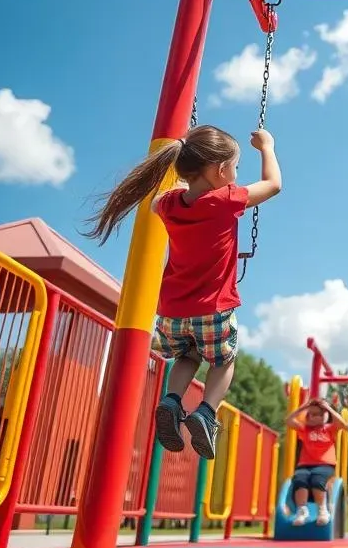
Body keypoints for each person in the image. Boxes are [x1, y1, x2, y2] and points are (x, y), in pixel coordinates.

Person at [86, 124, 282, 459]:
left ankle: (172, 401)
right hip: (214, 307)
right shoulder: (226, 199)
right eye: (235, 168)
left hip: (173, 311)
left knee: (187, 356)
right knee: (224, 360)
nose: (236, 175)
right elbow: (273, 185)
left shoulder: (169, 205)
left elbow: (163, 198)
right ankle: (206, 411)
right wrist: (267, 146)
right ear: (221, 171)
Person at [286, 396, 348, 526]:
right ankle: (302, 510)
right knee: (300, 479)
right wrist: (303, 407)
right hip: (305, 464)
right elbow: (288, 420)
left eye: (319, 415)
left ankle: (322, 510)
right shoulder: (304, 429)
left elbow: (343, 424)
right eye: (312, 414)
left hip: (325, 465)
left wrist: (328, 408)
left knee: (317, 479)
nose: (315, 417)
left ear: (326, 416)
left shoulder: (329, 429)